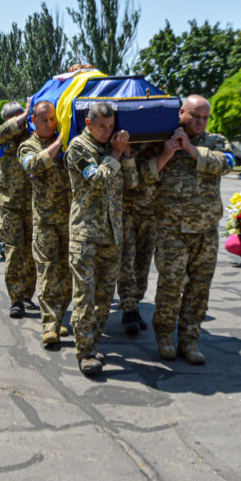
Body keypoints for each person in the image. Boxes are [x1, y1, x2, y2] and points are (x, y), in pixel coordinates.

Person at [148, 95, 234, 365]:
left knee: (199, 288)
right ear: (181, 113)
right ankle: (164, 336)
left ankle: (190, 340)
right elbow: (143, 175)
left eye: (205, 117)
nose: (200, 122)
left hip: (205, 229)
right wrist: (167, 152)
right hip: (171, 229)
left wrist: (192, 151)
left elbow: (229, 162)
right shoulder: (160, 139)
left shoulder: (215, 141)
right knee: (171, 284)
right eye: (194, 116)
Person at [66, 102, 137, 375]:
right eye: (102, 127)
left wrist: (126, 153)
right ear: (88, 124)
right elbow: (97, 179)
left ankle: (93, 345)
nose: (108, 132)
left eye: (111, 126)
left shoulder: (113, 148)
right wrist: (116, 154)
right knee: (85, 295)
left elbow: (131, 182)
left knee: (104, 297)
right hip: (85, 234)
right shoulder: (78, 148)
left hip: (112, 234)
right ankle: (84, 353)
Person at [19, 101, 72, 347]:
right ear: (34, 121)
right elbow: (33, 165)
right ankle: (49, 325)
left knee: (68, 273)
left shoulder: (70, 142)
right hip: (45, 221)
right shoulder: (28, 145)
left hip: (70, 220)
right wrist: (59, 142)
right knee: (48, 272)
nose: (49, 124)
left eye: (53, 119)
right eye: (43, 120)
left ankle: (60, 316)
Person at [0, 102, 38, 318]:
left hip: (33, 204)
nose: (24, 122)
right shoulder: (3, 140)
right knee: (13, 251)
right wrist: (26, 113)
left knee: (31, 253)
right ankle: (16, 299)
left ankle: (28, 295)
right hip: (11, 204)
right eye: (19, 119)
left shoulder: (34, 136)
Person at [117, 142, 159, 334]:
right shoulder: (124, 140)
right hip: (126, 210)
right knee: (126, 261)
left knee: (143, 262)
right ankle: (129, 309)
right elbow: (131, 179)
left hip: (151, 211)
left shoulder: (160, 142)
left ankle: (135, 302)